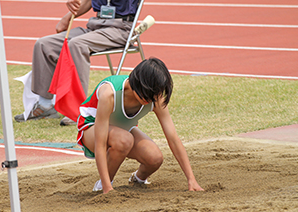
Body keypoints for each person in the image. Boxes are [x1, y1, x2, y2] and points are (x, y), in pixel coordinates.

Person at [77, 58, 204, 194]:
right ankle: (103, 185)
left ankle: (137, 179)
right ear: (136, 83)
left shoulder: (155, 97)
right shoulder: (109, 94)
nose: (148, 99)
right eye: (146, 93)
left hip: (122, 129)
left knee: (155, 158)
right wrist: (107, 187)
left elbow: (173, 138)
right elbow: (100, 144)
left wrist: (191, 179)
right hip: (90, 128)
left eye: (153, 95)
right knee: (124, 140)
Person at [14, 0, 140, 126]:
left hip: (121, 29)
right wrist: (67, 18)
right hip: (97, 25)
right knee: (44, 45)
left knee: (77, 45)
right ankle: (45, 105)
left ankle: (80, 110)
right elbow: (86, 2)